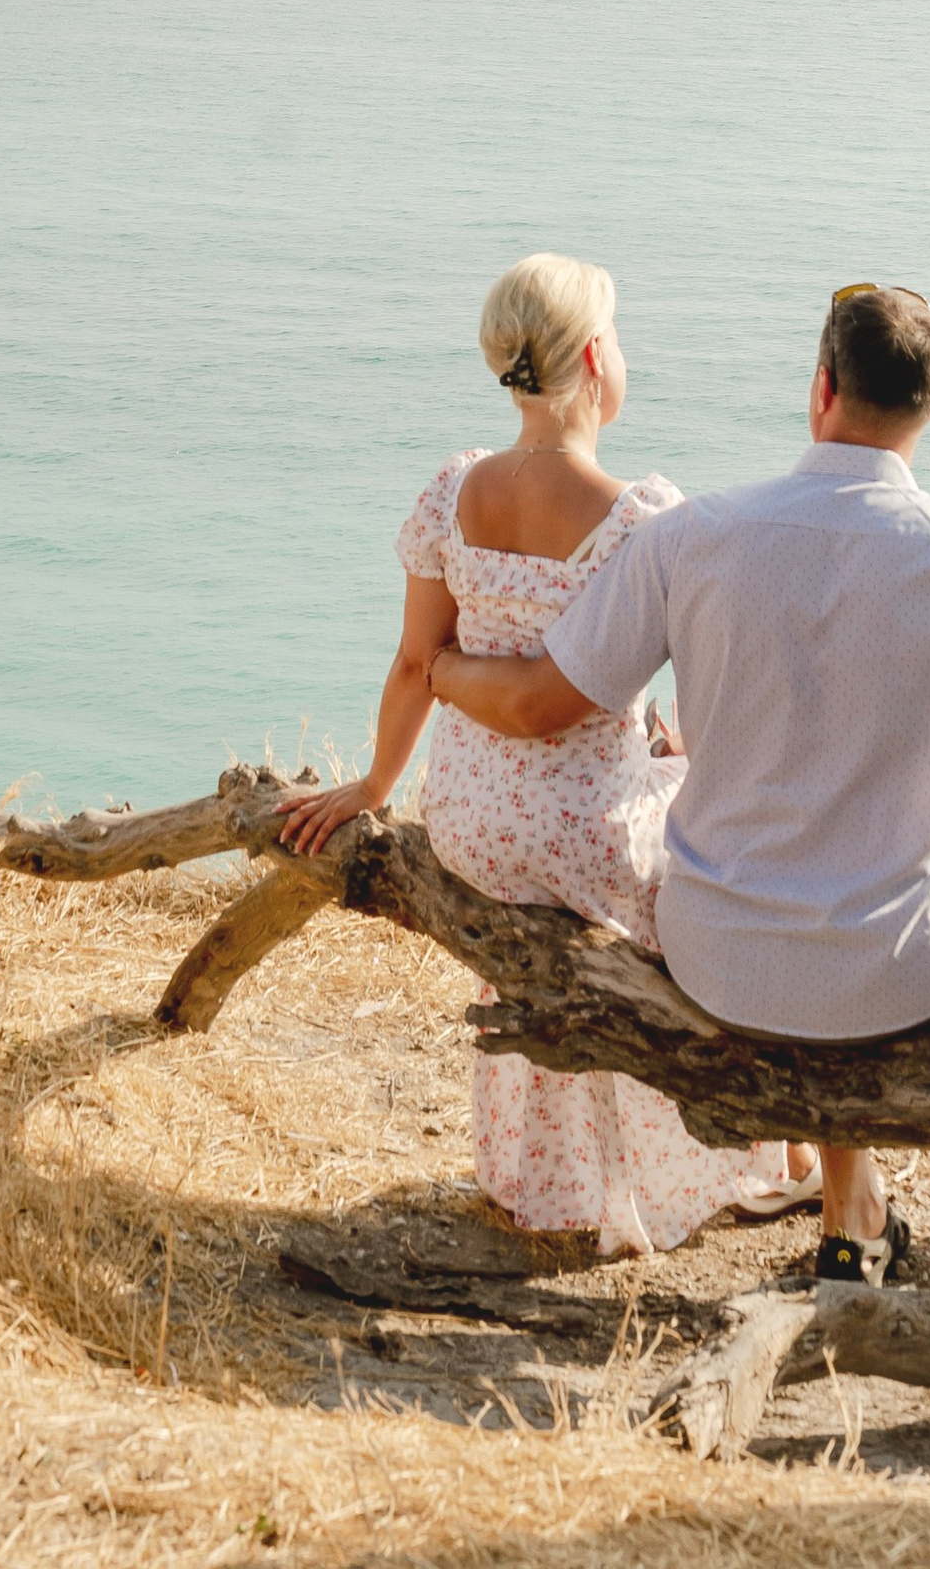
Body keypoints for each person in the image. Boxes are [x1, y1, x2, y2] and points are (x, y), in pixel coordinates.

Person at [427, 280, 930, 1297]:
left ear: (819, 391)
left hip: (720, 958)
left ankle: (854, 1215)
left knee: (802, 832)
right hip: (905, 967)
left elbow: (544, 702)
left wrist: (443, 670)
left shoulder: (691, 538)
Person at [275, 254, 790, 1257]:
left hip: (467, 819)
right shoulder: (645, 520)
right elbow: (701, 698)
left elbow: (415, 663)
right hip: (580, 831)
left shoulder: (452, 490)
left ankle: (537, 1180)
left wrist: (374, 787)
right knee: (716, 854)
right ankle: (755, 1157)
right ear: (596, 359)